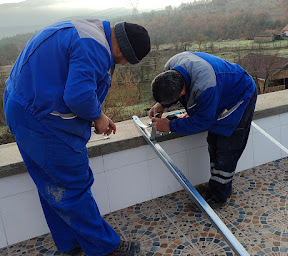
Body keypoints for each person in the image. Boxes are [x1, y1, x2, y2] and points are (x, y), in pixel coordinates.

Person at [3, 19, 150, 256]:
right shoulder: (95, 48)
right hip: (41, 121)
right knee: (74, 187)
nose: (121, 64)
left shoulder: (88, 30)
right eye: (125, 60)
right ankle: (106, 249)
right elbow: (78, 96)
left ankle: (69, 244)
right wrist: (98, 116)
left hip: (21, 108)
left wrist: (97, 115)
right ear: (121, 49)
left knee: (51, 184)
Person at [149, 51, 257, 210]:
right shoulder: (170, 68)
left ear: (183, 92)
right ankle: (217, 187)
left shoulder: (205, 84)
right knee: (213, 142)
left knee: (227, 148)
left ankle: (219, 196)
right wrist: (161, 104)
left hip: (240, 95)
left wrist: (170, 126)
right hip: (221, 92)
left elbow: (203, 121)